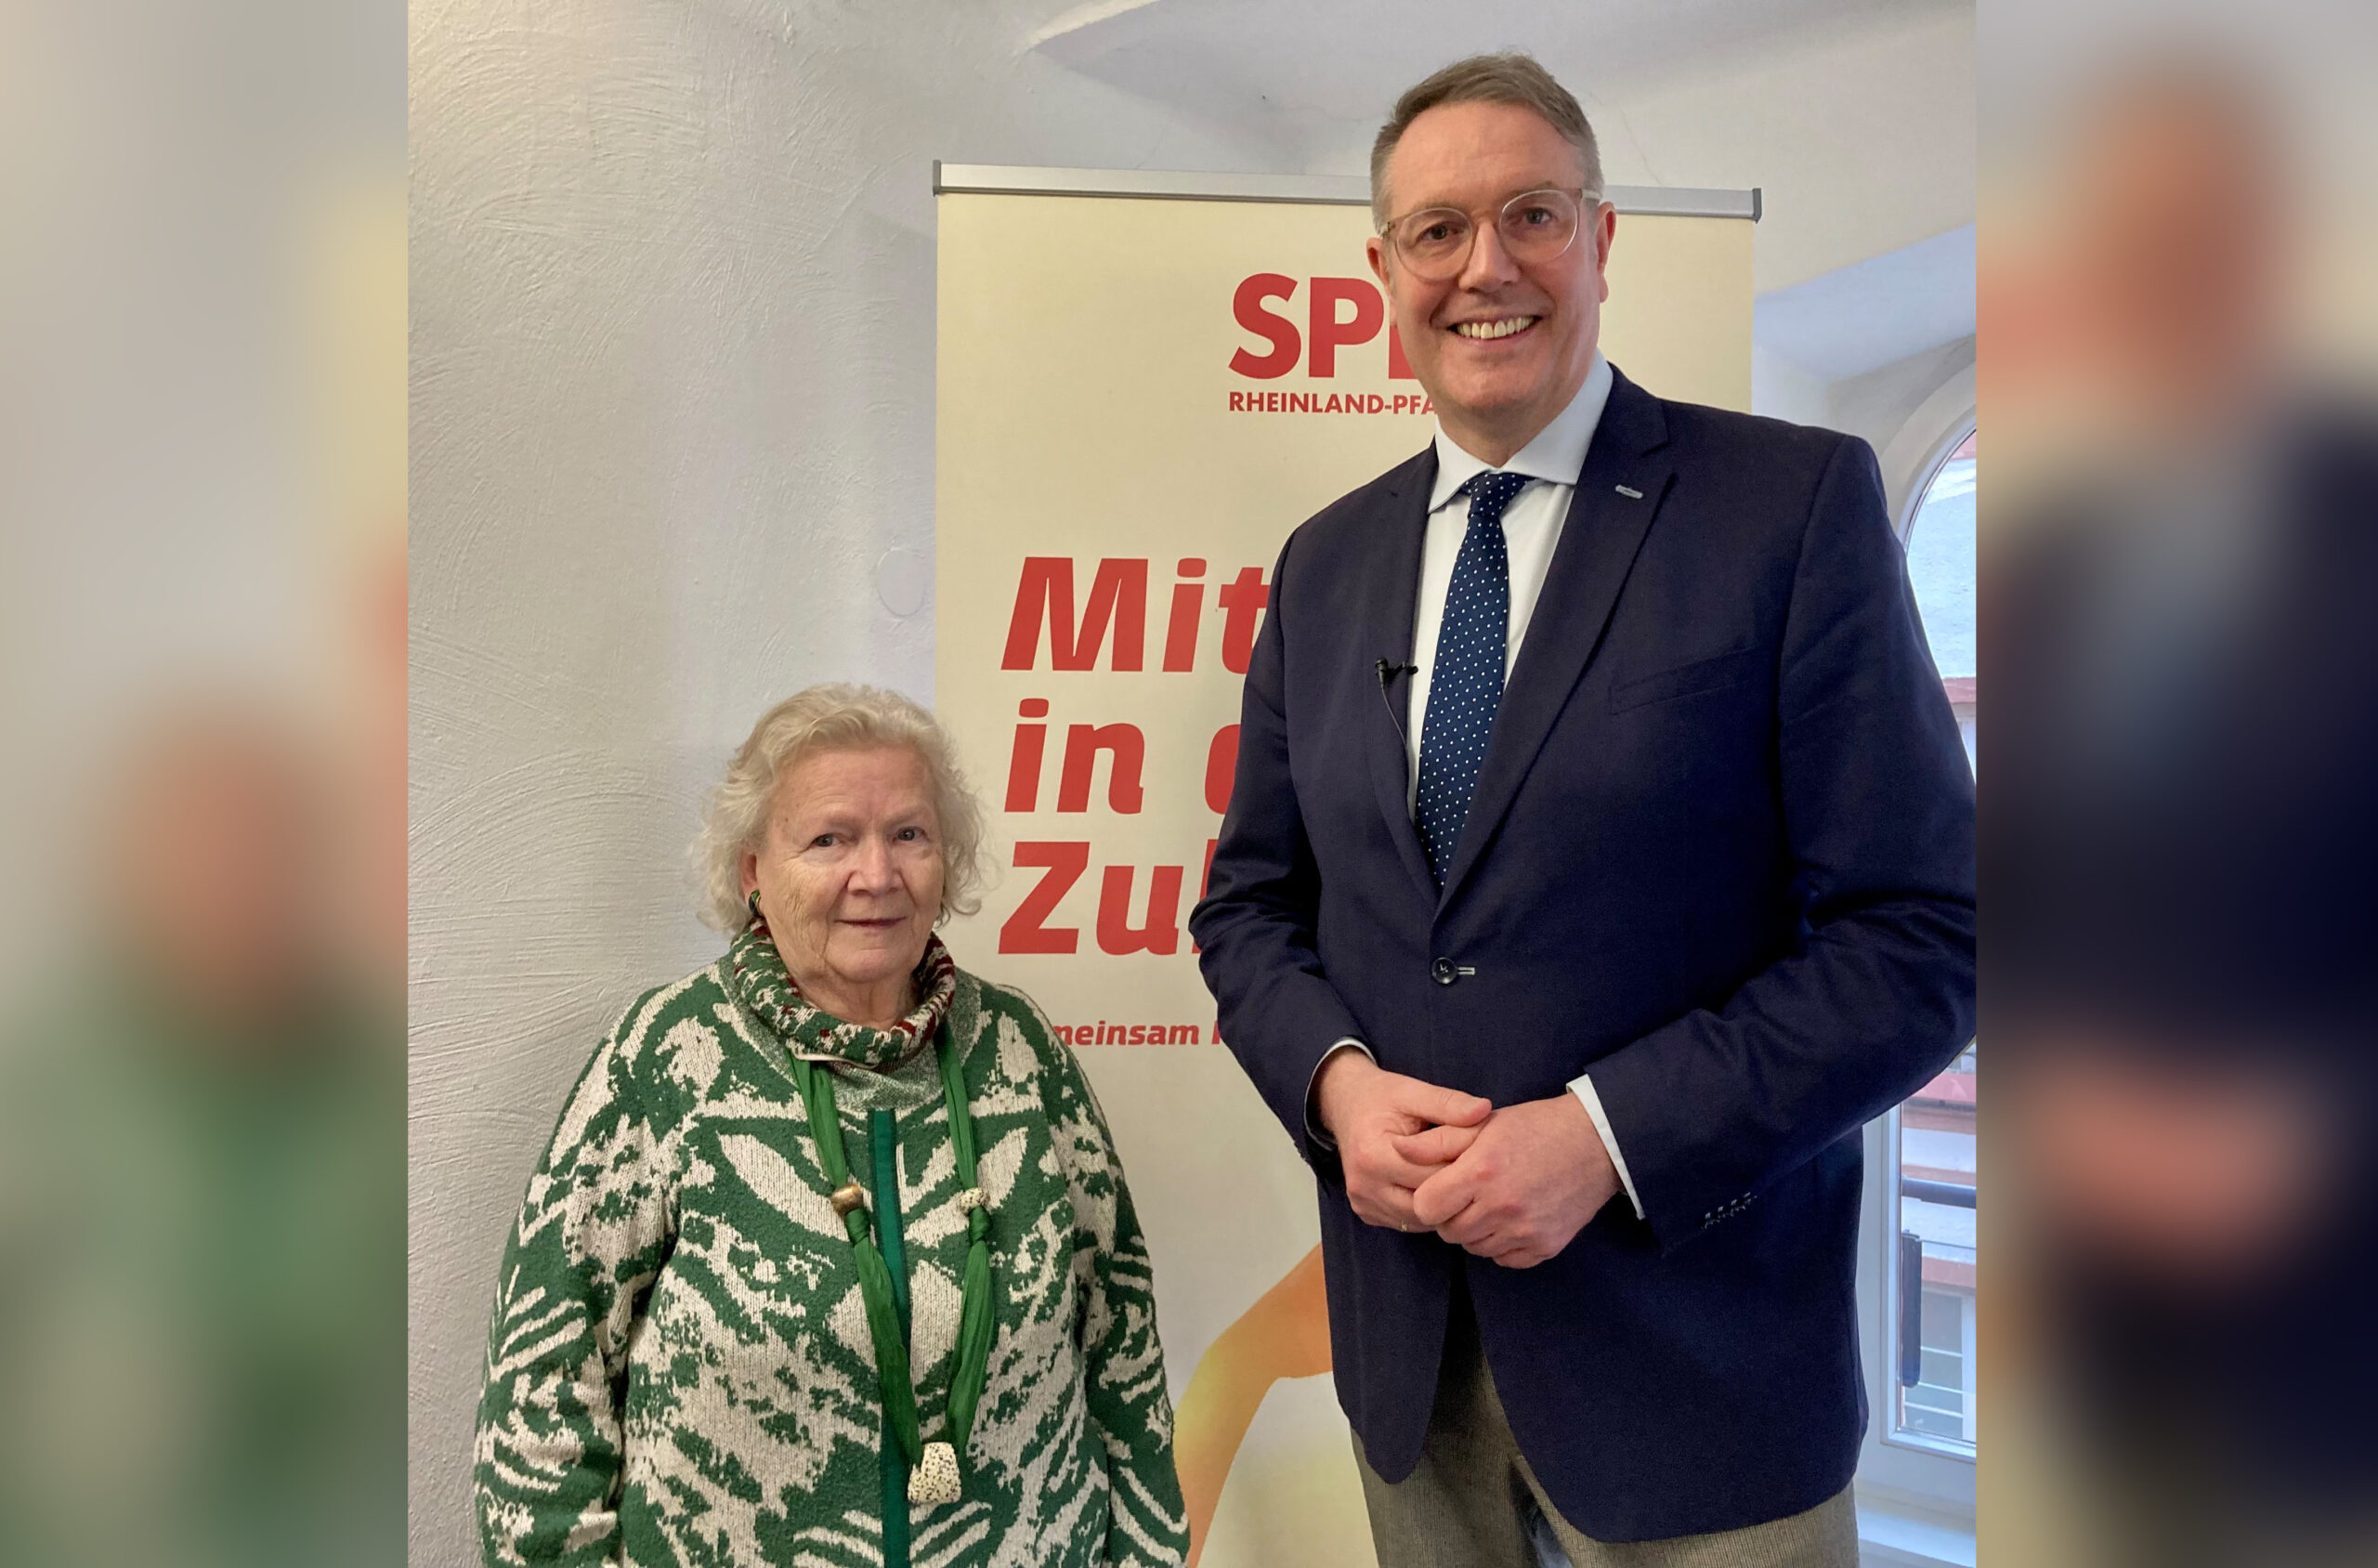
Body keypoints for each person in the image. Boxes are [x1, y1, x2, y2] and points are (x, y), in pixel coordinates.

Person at [1189, 53, 1976, 1568]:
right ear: (1384, 273)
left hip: (1705, 1376)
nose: (1484, 266)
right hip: (1412, 1368)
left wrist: (1611, 1136)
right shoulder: (1325, 563)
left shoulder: (1790, 508)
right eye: (1437, 230)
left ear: (1602, 241)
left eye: (1532, 215)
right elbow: (1252, 908)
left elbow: (1925, 937)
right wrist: (1337, 1086)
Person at [474, 685, 1186, 1568]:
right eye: (829, 839)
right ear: (752, 873)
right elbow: (544, 1380)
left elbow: (1121, 1339)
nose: (877, 876)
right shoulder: (665, 1057)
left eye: (909, 834)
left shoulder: (1020, 1049)